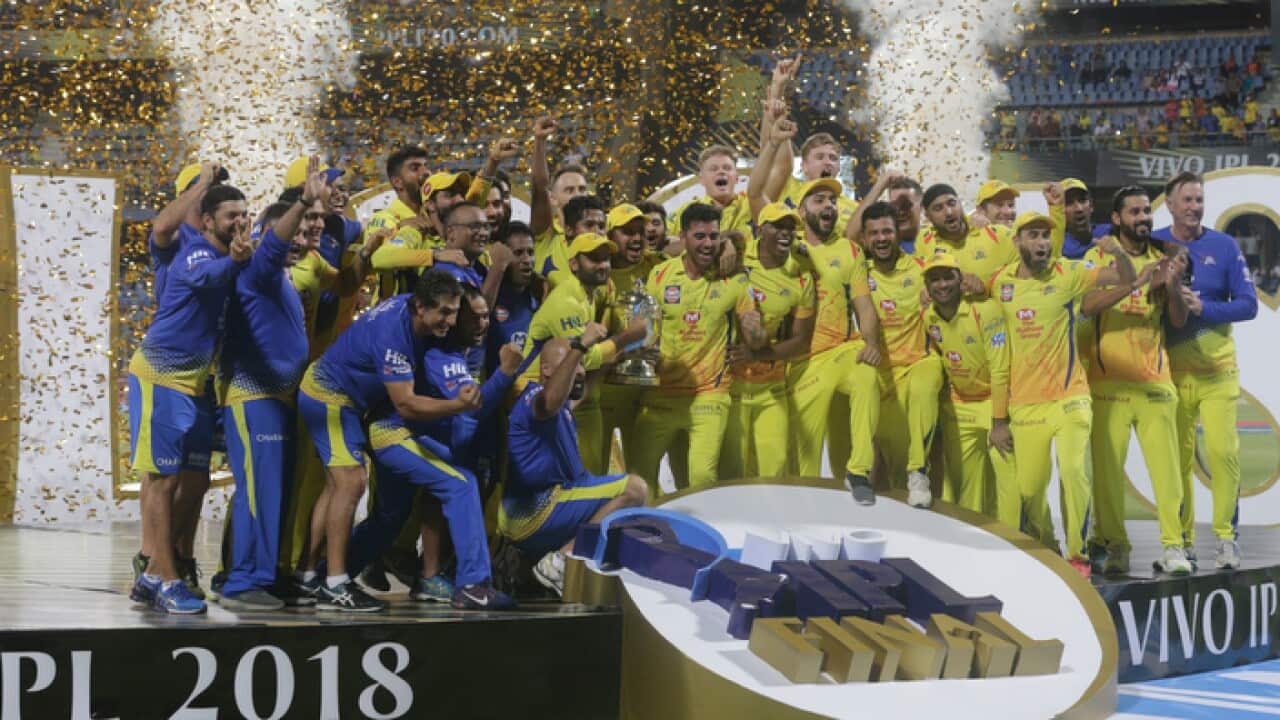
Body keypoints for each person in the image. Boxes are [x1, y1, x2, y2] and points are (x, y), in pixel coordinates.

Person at [294, 271, 471, 611]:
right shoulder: (396, 335)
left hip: (331, 392)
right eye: (444, 313)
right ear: (420, 307)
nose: (451, 320)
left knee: (334, 488)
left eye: (454, 311)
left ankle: (306, 575)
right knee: (351, 482)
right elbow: (406, 403)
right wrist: (459, 405)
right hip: (330, 396)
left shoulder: (408, 306)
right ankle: (335, 583)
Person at [351, 286, 520, 609]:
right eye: (475, 318)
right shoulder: (442, 355)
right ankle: (472, 584)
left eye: (486, 317)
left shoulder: (452, 350)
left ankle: (331, 573)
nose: (483, 325)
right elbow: (473, 407)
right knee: (461, 484)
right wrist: (506, 372)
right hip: (395, 434)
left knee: (390, 517)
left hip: (406, 435)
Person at [128, 183, 253, 613]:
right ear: (205, 219)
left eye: (244, 214)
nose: (238, 221)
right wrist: (235, 262)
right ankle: (165, 578)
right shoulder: (195, 250)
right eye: (229, 215)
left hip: (196, 385)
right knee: (161, 481)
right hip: (161, 378)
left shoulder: (224, 255)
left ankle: (153, 574)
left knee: (190, 480)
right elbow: (202, 274)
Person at [988, 212, 1135, 578]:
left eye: (1046, 236)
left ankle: (1078, 556)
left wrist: (1116, 250)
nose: (1042, 243)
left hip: (1071, 397)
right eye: (1034, 236)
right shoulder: (1000, 284)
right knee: (1030, 489)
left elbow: (1127, 278)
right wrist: (999, 418)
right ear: (1017, 242)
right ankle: (1046, 544)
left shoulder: (1068, 273)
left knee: (1072, 471)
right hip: (1026, 405)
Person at [216, 162, 327, 610]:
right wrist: (302, 200)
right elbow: (275, 241)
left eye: (305, 234)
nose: (300, 240)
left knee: (274, 493)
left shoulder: (278, 275)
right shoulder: (258, 268)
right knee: (258, 493)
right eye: (294, 232)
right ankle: (242, 582)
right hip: (253, 399)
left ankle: (265, 575)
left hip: (277, 401)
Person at [1079, 186, 1191, 576]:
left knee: (1167, 473)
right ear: (1116, 218)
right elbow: (1085, 305)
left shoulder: (1166, 258)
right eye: (1135, 212)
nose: (1143, 218)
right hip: (1107, 386)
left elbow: (1177, 320)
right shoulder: (1099, 257)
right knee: (1107, 477)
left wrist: (1172, 284)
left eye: (1147, 212)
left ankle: (1174, 547)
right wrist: (1134, 281)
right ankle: (1115, 547)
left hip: (1156, 385)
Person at [1153, 172, 1258, 569]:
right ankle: (1180, 541)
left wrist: (1205, 308)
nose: (1195, 207)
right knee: (1177, 462)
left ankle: (1227, 540)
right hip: (1171, 376)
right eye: (1188, 200)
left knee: (1223, 453)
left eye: (1200, 200)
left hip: (1218, 373)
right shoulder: (1154, 242)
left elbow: (1247, 305)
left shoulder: (1224, 246)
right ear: (1170, 204)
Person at [132, 162, 224, 599]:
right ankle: (157, 564)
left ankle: (173, 558)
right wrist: (203, 180)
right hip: (165, 370)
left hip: (200, 377)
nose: (210, 196)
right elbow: (163, 222)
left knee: (196, 476)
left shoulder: (219, 242)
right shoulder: (175, 241)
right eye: (202, 192)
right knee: (160, 477)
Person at [501, 337, 649, 596]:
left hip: (540, 512)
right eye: (571, 363)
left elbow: (574, 398)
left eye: (581, 364)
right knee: (634, 490)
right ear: (546, 369)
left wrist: (608, 363)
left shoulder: (561, 407)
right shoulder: (536, 398)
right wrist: (580, 345)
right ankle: (563, 561)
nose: (579, 369)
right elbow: (550, 401)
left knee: (620, 519)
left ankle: (528, 566)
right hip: (540, 510)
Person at [630, 203, 756, 494]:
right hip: (661, 394)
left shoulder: (734, 276)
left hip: (709, 395)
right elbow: (645, 328)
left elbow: (755, 335)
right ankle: (648, 534)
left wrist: (755, 337)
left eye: (714, 236)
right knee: (638, 476)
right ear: (683, 236)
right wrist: (644, 349)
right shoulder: (660, 275)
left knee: (702, 477)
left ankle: (702, 538)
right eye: (700, 236)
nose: (708, 243)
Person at [783, 179, 883, 504]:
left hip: (842, 349)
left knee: (867, 372)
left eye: (832, 201)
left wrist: (872, 343)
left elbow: (864, 306)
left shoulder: (850, 250)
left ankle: (859, 470)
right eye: (819, 200)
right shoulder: (787, 249)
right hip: (802, 362)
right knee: (805, 460)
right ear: (801, 211)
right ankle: (807, 509)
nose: (828, 206)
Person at [518, 233, 648, 475]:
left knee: (587, 474)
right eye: (594, 259)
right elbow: (583, 357)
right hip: (536, 399)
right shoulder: (566, 301)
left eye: (606, 258)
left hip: (566, 396)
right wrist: (628, 337)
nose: (603, 265)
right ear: (574, 265)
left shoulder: (590, 294)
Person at [720, 202, 815, 480]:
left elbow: (801, 341)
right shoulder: (738, 256)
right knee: (733, 475)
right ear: (760, 229)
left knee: (775, 472)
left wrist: (758, 355)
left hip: (771, 389)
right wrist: (725, 240)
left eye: (791, 228)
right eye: (778, 226)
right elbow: (685, 246)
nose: (786, 233)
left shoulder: (801, 277)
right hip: (727, 387)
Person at [922, 252, 1017, 526]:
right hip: (960, 405)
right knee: (966, 487)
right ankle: (970, 542)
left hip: (994, 404)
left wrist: (1000, 423)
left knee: (1009, 482)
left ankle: (1020, 542)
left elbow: (1001, 369)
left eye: (948, 277)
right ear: (926, 286)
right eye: (934, 280)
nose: (942, 285)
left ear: (961, 280)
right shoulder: (929, 317)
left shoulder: (985, 310)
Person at [861, 202, 943, 506]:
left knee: (924, 386)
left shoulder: (922, 270)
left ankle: (919, 471)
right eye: (874, 234)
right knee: (890, 472)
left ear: (898, 234)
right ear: (866, 239)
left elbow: (953, 286)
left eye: (887, 231)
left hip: (919, 363)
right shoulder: (859, 274)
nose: (881, 238)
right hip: (882, 375)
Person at [599, 203, 666, 469]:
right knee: (596, 469)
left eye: (640, 231)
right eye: (627, 232)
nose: (637, 237)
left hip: (644, 392)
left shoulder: (656, 267)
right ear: (610, 236)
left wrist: (730, 243)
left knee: (644, 473)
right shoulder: (599, 272)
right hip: (604, 390)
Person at [914, 184, 1018, 296]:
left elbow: (1024, 285)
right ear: (927, 216)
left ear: (960, 203)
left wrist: (985, 289)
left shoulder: (999, 235)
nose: (949, 212)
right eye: (938, 208)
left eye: (952, 203)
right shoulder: (920, 243)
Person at [1046, 178, 1113, 260]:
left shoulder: (1111, 232)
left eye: (1082, 200)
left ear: (1091, 206)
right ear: (1062, 211)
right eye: (1069, 203)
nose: (1079, 209)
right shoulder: (1060, 246)